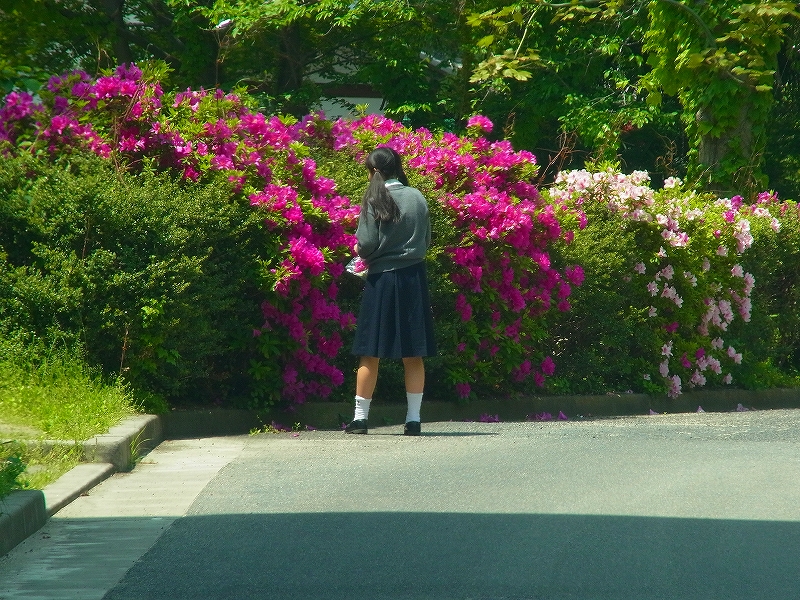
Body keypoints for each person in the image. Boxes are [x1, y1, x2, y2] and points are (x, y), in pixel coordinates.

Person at [345, 146, 437, 436]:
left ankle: (360, 420)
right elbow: (427, 239)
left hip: (381, 280)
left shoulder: (374, 199)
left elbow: (367, 243)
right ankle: (413, 420)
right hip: (413, 278)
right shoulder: (417, 197)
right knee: (413, 353)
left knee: (370, 352)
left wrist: (358, 248)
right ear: (398, 167)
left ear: (373, 171)